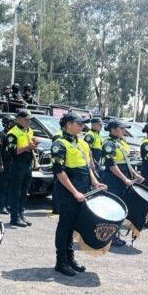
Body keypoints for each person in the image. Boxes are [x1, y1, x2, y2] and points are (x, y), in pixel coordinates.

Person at [51, 112, 106, 276]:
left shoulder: (81, 143)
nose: (83, 127)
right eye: (79, 124)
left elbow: (88, 166)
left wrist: (95, 182)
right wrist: (75, 192)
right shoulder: (59, 144)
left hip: (83, 192)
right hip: (68, 193)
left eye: (83, 124)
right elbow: (59, 172)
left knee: (74, 226)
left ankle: (70, 258)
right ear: (68, 124)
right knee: (65, 226)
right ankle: (61, 262)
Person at [100, 119, 143, 247]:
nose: (124, 131)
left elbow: (127, 162)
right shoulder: (109, 144)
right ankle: (110, 236)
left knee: (120, 208)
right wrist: (124, 179)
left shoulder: (121, 143)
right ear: (113, 130)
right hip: (113, 180)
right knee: (112, 209)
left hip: (123, 179)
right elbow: (111, 165)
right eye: (121, 128)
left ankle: (115, 235)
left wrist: (135, 175)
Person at [6, 109, 38, 227]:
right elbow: (12, 152)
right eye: (26, 119)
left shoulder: (29, 130)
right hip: (17, 164)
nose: (28, 121)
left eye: (29, 119)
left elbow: (30, 146)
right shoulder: (12, 133)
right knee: (16, 192)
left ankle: (21, 213)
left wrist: (34, 145)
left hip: (27, 163)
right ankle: (14, 217)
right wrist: (27, 147)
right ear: (19, 119)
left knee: (24, 191)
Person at [0, 114, 15, 214]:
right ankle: (1, 207)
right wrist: (0, 164)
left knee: (11, 185)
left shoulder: (12, 134)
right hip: (4, 163)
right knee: (4, 186)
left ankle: (8, 205)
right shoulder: (1, 134)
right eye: (11, 122)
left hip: (12, 163)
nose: (12, 124)